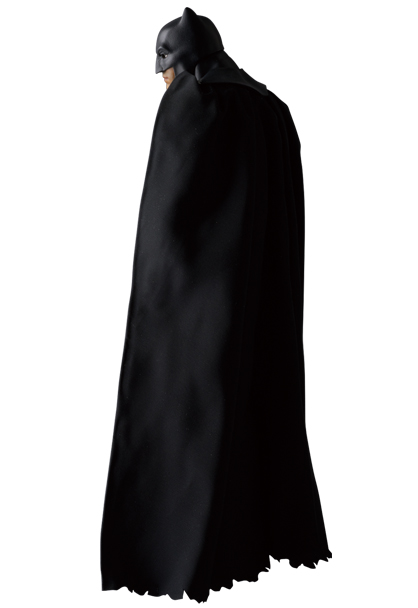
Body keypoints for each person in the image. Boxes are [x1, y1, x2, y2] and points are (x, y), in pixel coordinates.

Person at [100, 7, 332, 603]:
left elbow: (168, 222)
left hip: (192, 305)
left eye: (163, 71)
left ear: (176, 62)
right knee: (256, 397)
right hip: (266, 296)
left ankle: (167, 560)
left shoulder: (193, 101)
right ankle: (248, 542)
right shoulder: (270, 107)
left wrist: (154, 303)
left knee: (181, 421)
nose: (161, 83)